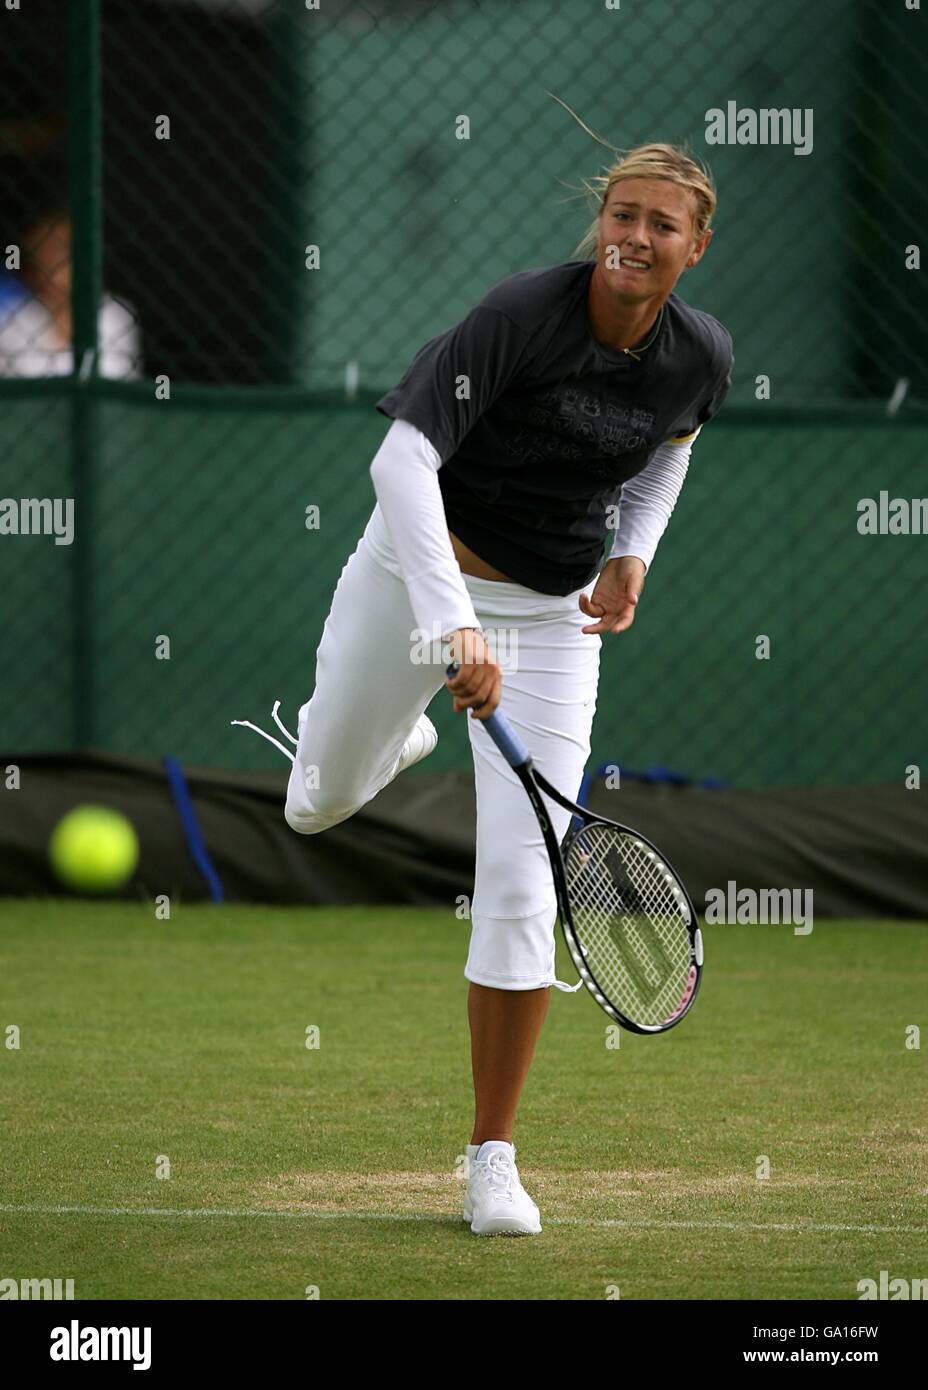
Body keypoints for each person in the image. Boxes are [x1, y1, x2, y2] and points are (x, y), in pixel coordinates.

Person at [236, 141, 733, 1236]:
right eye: (621, 214)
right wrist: (449, 624)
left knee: (524, 884)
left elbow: (668, 454)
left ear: (695, 248)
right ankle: (386, 737)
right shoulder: (520, 315)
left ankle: (491, 1158)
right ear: (598, 223)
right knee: (314, 803)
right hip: (416, 565)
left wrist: (634, 550)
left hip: (554, 619)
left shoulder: (697, 356)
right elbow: (400, 460)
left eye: (660, 225)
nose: (634, 237)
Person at [0, 208, 141, 379]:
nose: (53, 261)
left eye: (61, 250)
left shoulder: (116, 314)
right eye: (45, 252)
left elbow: (124, 386)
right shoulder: (13, 318)